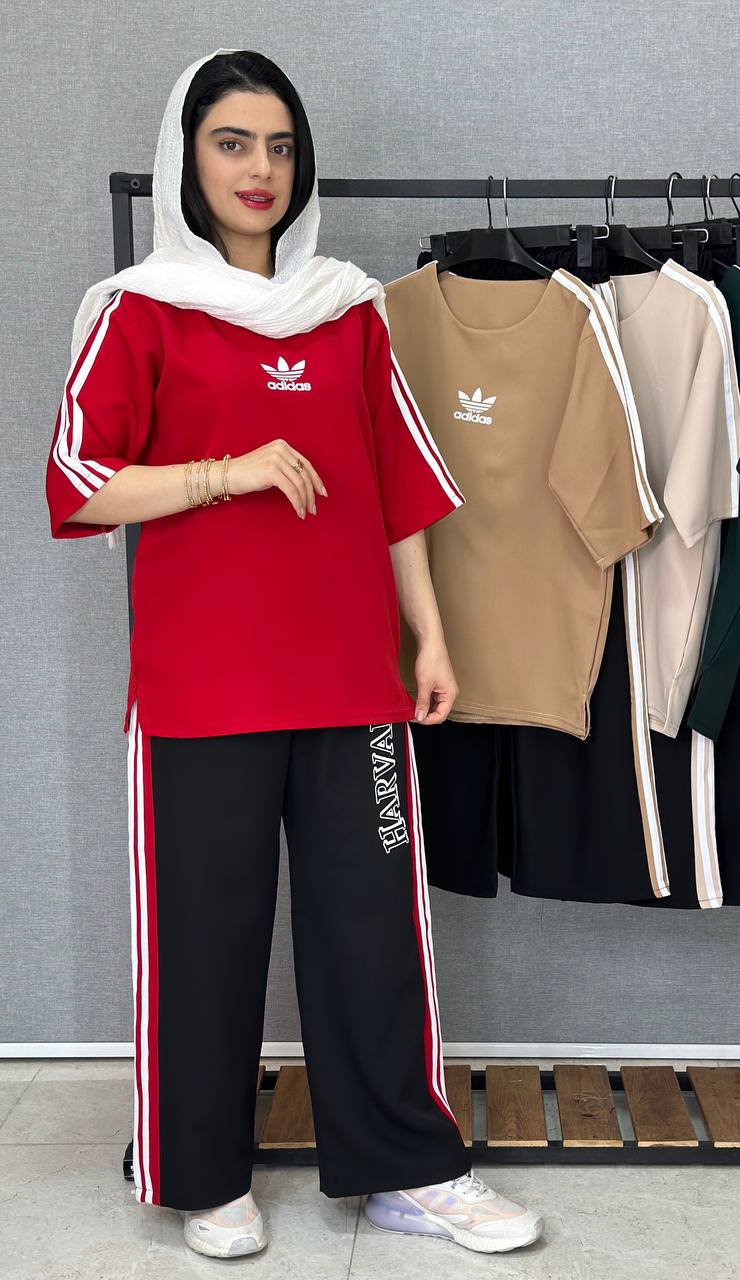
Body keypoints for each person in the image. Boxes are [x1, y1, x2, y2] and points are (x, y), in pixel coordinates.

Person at [43, 47, 543, 1259]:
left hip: (350, 679)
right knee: (203, 939)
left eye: (278, 146)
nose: (259, 168)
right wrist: (229, 471)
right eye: (232, 143)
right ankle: (204, 1176)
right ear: (187, 158)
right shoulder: (138, 309)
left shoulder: (349, 309)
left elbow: (398, 490)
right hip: (201, 686)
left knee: (374, 935)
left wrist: (429, 636)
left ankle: (406, 1168)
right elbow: (80, 482)